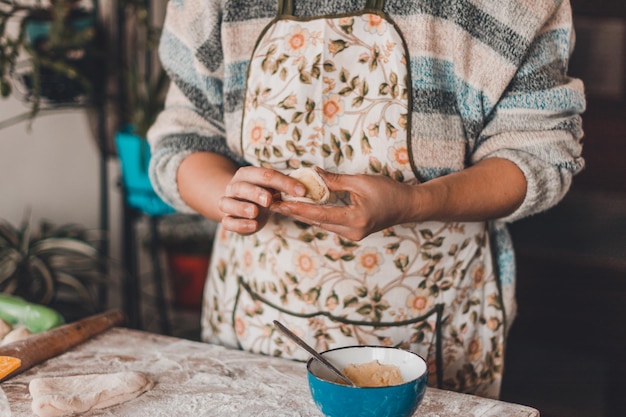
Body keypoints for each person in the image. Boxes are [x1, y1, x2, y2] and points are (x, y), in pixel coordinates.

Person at [147, 0, 585, 399]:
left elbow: (539, 155)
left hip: (434, 330)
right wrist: (228, 195)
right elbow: (184, 141)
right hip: (258, 323)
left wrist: (415, 203)